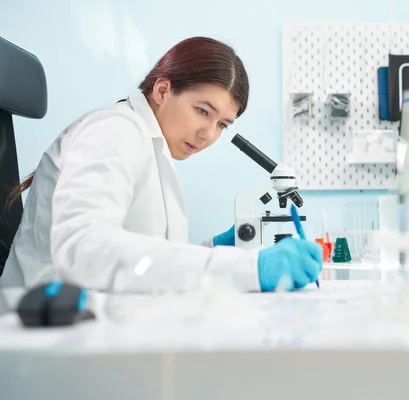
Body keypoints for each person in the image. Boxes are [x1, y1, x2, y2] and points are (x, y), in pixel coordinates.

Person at [2, 37, 322, 292]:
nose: (208, 134)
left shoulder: (151, 145)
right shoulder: (115, 131)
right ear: (162, 90)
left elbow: (142, 263)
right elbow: (85, 250)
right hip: (47, 333)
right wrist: (247, 270)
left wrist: (214, 248)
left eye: (223, 124)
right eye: (202, 111)